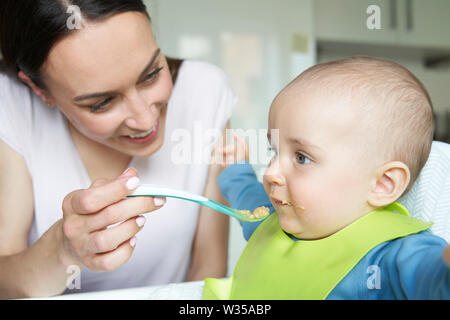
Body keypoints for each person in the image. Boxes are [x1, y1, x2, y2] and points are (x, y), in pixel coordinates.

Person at [0, 0, 234, 299]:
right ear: (39, 90)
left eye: (151, 75)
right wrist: (64, 249)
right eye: (101, 103)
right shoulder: (10, 103)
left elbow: (208, 273)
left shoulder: (205, 90)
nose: (145, 120)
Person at [203, 56, 450, 299]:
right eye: (274, 151)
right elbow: (246, 193)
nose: (270, 173)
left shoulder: (390, 254)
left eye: (301, 158)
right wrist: (235, 166)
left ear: (383, 184)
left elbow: (433, 279)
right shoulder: (267, 218)